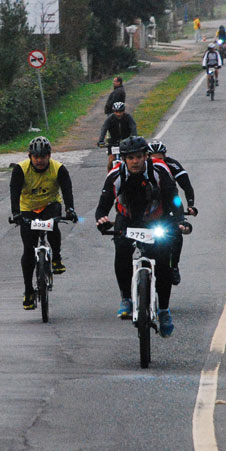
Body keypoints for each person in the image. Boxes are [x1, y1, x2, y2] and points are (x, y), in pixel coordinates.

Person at [95, 136, 191, 338]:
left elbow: (173, 198)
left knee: (163, 262)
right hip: (127, 218)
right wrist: (102, 219)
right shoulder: (115, 175)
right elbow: (103, 204)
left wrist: (179, 219)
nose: (135, 161)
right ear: (124, 159)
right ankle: (126, 299)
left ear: (146, 156)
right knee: (121, 251)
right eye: (130, 158)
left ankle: (164, 311)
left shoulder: (159, 171)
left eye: (139, 157)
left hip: (156, 218)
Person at [9, 136, 77, 310]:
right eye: (36, 157)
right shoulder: (20, 170)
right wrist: (16, 213)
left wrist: (70, 210)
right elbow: (14, 192)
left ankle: (56, 257)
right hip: (28, 209)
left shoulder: (59, 169)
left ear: (49, 155)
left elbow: (67, 190)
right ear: (30, 156)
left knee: (53, 224)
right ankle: (28, 290)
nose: (39, 160)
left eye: (43, 157)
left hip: (50, 205)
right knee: (28, 249)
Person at [147, 140, 198, 286]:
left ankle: (174, 265)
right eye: (153, 158)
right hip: (148, 206)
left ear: (165, 156)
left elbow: (186, 186)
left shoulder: (172, 165)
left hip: (169, 202)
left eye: (160, 158)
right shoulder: (142, 167)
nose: (157, 161)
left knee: (176, 234)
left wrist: (190, 205)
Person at [97, 101, 138, 171]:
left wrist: (134, 138)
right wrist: (101, 140)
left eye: (120, 112)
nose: (118, 114)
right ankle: (109, 176)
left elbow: (133, 127)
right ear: (113, 111)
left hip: (125, 141)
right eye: (116, 112)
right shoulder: (110, 119)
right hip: (113, 142)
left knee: (127, 159)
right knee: (111, 160)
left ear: (124, 111)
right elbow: (104, 128)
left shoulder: (128, 117)